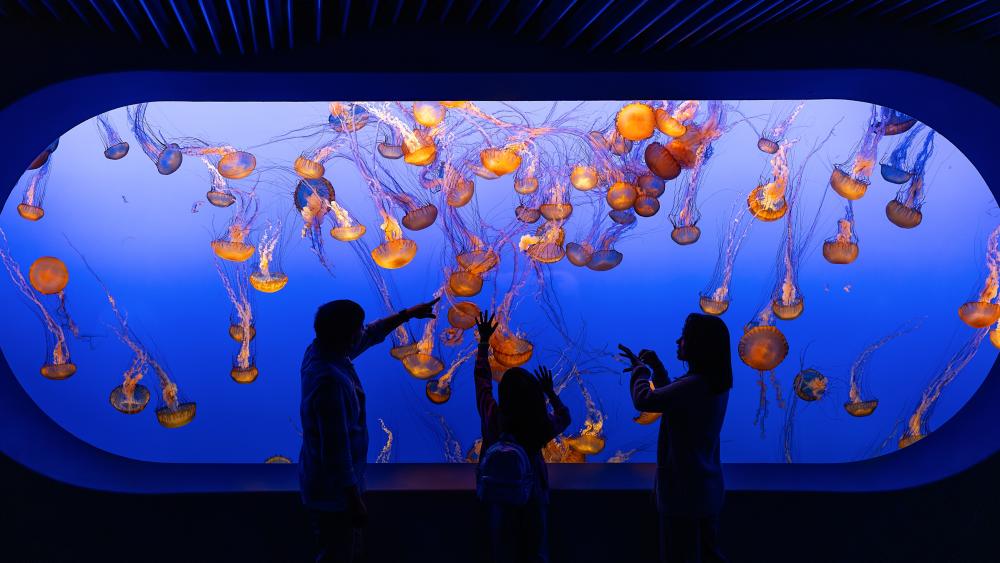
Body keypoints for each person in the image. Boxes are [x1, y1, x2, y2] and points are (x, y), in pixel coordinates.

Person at [299, 297, 439, 563]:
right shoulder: (329, 381)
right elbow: (336, 450)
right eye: (358, 329)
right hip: (334, 495)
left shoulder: (320, 350)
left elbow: (371, 334)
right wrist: (353, 501)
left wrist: (407, 314)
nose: (362, 332)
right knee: (338, 555)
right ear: (348, 336)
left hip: (325, 486)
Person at [620, 313, 732, 563]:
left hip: (685, 493)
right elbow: (675, 399)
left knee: (679, 556)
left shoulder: (695, 385)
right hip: (707, 487)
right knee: (709, 554)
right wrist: (658, 369)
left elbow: (645, 400)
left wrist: (640, 372)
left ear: (698, 345)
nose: (677, 341)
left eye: (684, 337)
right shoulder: (714, 384)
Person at [474, 310, 571, 563]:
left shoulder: (493, 418)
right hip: (533, 497)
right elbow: (564, 417)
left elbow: (482, 382)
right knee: (535, 550)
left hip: (495, 497)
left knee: (499, 550)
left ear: (504, 395)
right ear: (534, 398)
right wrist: (550, 392)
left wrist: (484, 343)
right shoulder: (539, 426)